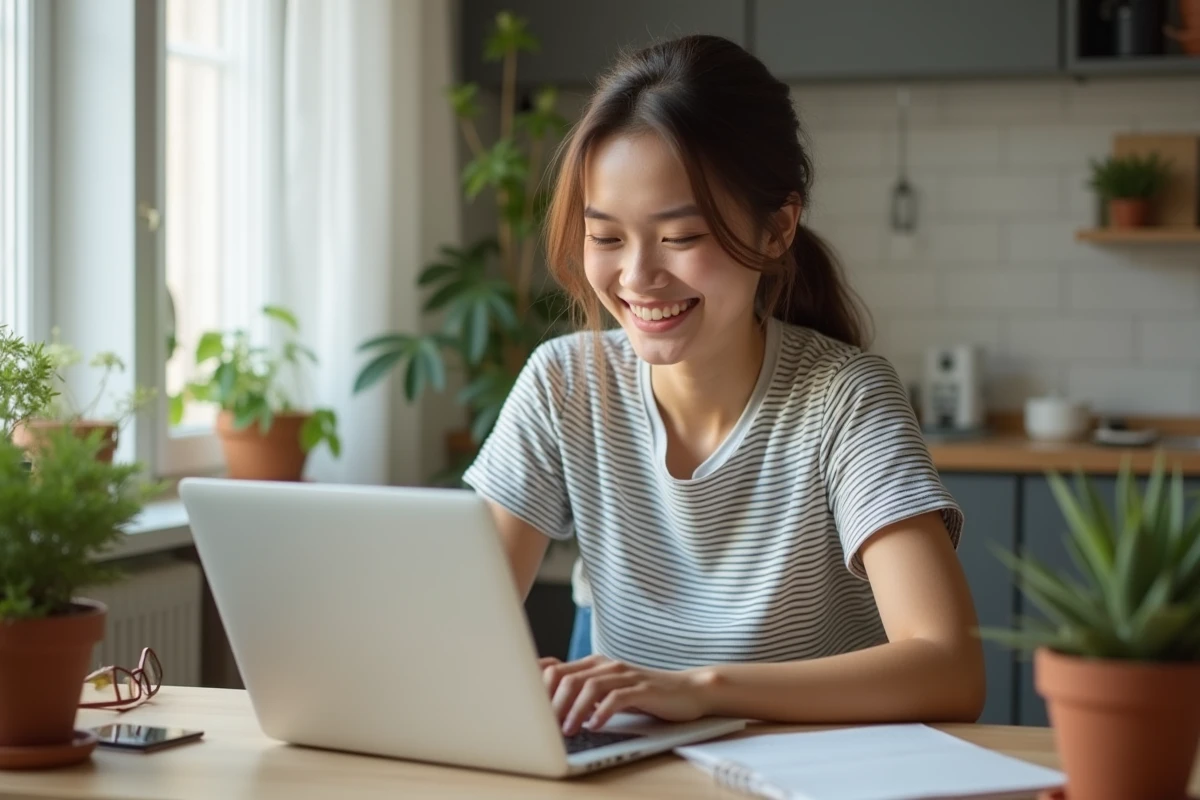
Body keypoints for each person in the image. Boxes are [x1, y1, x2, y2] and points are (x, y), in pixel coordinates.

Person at [461, 33, 985, 738]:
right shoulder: (564, 384)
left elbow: (950, 669)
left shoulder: (844, 399)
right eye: (608, 238)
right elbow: (458, 629)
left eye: (680, 238)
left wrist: (701, 690)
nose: (638, 277)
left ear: (777, 230)